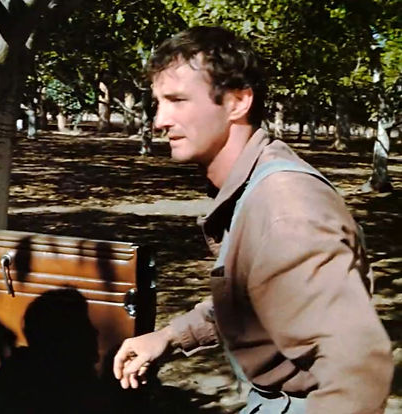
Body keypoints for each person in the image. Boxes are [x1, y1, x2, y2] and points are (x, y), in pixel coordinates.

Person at [112, 26, 392, 413]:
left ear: (238, 102)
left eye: (177, 100)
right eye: (158, 102)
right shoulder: (253, 187)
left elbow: (358, 369)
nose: (159, 120)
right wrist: (170, 336)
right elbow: (255, 296)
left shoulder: (286, 209)